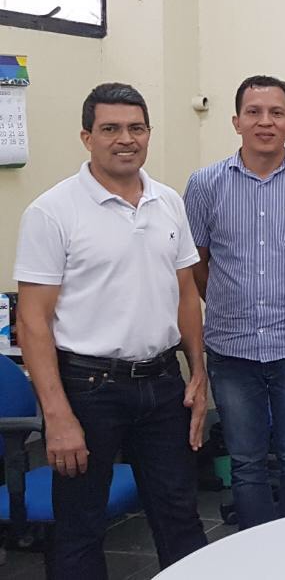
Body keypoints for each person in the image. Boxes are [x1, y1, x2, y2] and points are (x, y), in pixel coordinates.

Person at [14, 83, 207, 578]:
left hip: (162, 384)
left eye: (136, 128)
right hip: (88, 388)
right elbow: (32, 322)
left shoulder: (168, 202)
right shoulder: (52, 211)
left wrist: (198, 372)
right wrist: (57, 416)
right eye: (111, 129)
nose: (126, 139)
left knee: (180, 516)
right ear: (87, 137)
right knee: (79, 526)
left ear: (148, 133)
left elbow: (186, 293)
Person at [184, 75, 285, 528]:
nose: (265, 122)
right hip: (231, 346)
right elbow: (196, 263)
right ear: (236, 121)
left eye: (276, 113)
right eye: (253, 112)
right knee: (246, 462)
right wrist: (228, 300)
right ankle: (254, 553)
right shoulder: (205, 184)